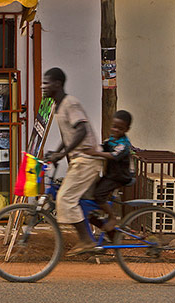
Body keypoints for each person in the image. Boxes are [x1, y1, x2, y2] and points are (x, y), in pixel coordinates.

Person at [43, 67, 105, 256]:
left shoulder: (70, 104)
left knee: (65, 198)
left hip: (87, 159)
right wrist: (58, 151)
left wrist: (62, 155)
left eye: (47, 83)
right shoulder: (57, 107)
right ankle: (104, 228)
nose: (43, 86)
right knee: (79, 201)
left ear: (58, 84)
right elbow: (69, 134)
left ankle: (86, 241)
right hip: (79, 160)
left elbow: (81, 130)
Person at [86, 110, 135, 231]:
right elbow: (103, 147)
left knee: (99, 195)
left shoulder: (124, 144)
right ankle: (100, 218)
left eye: (120, 128)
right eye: (114, 126)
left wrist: (96, 153)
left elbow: (114, 155)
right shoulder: (112, 139)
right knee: (91, 191)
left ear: (126, 129)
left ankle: (113, 218)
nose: (116, 130)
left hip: (119, 177)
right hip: (110, 175)